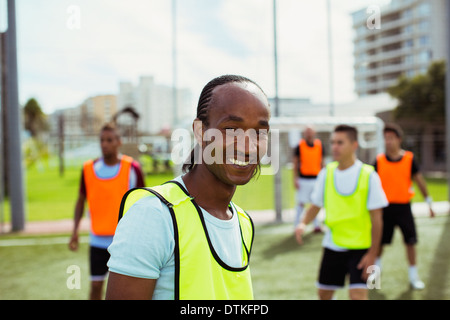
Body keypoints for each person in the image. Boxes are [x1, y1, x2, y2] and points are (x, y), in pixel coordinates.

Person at [105, 75, 271, 300]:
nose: (248, 145)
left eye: (259, 133)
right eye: (232, 129)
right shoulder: (154, 216)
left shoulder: (243, 223)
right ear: (201, 131)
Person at [295, 124, 388, 300]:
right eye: (333, 142)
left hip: (362, 248)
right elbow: (315, 205)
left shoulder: (369, 175)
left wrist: (373, 253)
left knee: (358, 296)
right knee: (324, 294)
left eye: (340, 142)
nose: (334, 146)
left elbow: (377, 219)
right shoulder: (326, 173)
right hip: (333, 245)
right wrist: (302, 223)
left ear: (354, 145)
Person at [68, 123, 145, 300]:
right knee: (95, 287)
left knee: (124, 292)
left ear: (119, 142)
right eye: (102, 140)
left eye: (109, 140)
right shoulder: (88, 168)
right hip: (97, 241)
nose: (104, 144)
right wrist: (74, 232)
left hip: (125, 242)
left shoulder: (133, 168)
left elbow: (144, 204)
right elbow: (81, 201)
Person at [374, 123, 435, 290]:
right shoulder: (379, 161)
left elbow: (420, 181)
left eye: (391, 138)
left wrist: (429, 202)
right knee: (378, 243)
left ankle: (414, 277)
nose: (388, 141)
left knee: (410, 242)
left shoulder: (409, 158)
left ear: (398, 139)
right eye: (386, 138)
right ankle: (375, 277)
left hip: (404, 208)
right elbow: (369, 186)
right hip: (384, 209)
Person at [292, 126, 324, 232]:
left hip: (316, 179)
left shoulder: (319, 145)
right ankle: (297, 225)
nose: (309, 134)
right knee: (301, 203)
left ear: (314, 132)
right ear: (304, 133)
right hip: (303, 179)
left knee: (315, 202)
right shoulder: (300, 146)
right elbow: (295, 163)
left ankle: (316, 225)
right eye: (307, 132)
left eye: (310, 131)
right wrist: (295, 179)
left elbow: (322, 162)